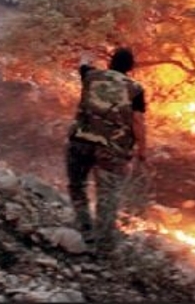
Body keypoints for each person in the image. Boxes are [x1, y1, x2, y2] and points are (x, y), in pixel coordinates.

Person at [66, 46, 147, 247]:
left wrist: (87, 53)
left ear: (110, 63)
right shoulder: (135, 89)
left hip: (80, 142)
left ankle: (84, 228)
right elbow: (138, 121)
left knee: (77, 186)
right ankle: (104, 242)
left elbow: (83, 64)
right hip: (112, 150)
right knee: (107, 194)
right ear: (131, 67)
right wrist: (142, 150)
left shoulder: (91, 76)